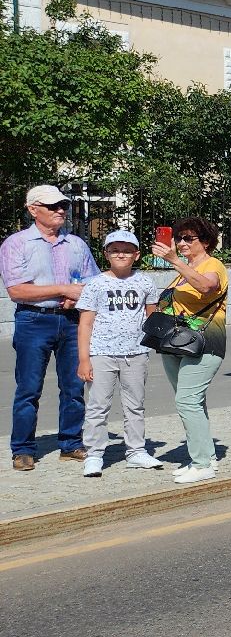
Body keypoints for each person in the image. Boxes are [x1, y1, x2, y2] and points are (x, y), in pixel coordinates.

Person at [4, 185, 98, 470]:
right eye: (53, 206)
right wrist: (63, 289)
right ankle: (22, 449)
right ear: (33, 209)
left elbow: (93, 282)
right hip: (33, 320)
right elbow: (17, 291)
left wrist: (75, 297)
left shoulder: (76, 244)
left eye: (63, 206)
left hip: (71, 321)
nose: (60, 210)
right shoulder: (16, 244)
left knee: (74, 386)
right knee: (29, 388)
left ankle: (71, 443)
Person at [75, 230, 161, 477]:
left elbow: (152, 318)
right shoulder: (96, 284)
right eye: (114, 250)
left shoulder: (145, 282)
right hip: (101, 353)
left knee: (135, 405)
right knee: (97, 406)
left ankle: (136, 451)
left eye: (126, 250)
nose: (120, 255)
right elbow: (85, 323)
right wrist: (84, 359)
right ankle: (94, 454)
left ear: (136, 255)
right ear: (106, 254)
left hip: (136, 353)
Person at [152, 217, 229, 484]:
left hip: (205, 342)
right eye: (179, 238)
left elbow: (207, 287)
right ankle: (207, 456)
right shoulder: (183, 270)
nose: (182, 242)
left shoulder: (213, 265)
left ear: (205, 242)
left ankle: (202, 464)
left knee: (187, 401)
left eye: (189, 238)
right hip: (176, 343)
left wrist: (174, 259)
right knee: (192, 401)